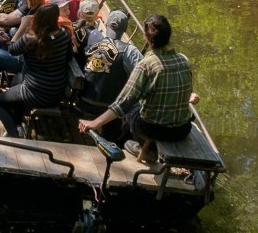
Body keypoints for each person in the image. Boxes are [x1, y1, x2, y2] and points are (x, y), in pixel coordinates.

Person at [77, 14, 199, 164]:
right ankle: (142, 145)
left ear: (146, 38)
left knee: (132, 105)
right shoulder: (184, 60)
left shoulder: (146, 64)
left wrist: (94, 123)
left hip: (153, 130)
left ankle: (131, 144)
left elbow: (123, 103)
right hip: (182, 130)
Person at [0, 3, 72, 138]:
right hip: (56, 92)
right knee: (17, 78)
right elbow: (69, 56)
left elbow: (11, 49)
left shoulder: (31, 39)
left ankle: (14, 135)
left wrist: (22, 27)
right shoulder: (64, 35)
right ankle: (17, 123)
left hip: (36, 93)